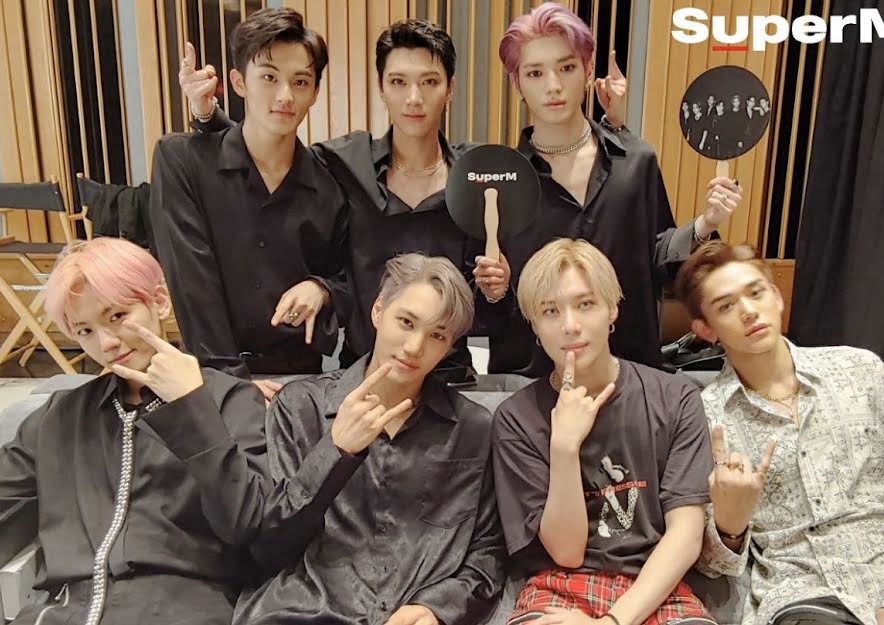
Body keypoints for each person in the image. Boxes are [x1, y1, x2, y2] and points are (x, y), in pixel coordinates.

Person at [0, 237, 269, 625]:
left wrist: (192, 408)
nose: (107, 343)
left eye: (117, 316)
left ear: (159, 301)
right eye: (84, 331)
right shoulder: (60, 417)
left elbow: (251, 527)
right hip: (60, 614)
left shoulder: (229, 401)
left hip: (184, 612)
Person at [182, 19, 484, 379]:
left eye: (430, 82)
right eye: (398, 82)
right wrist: (207, 116)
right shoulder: (344, 161)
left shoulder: (476, 175)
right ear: (381, 87)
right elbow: (267, 147)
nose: (414, 98)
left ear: (450, 88)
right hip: (361, 372)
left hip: (447, 373)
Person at [237, 253, 507, 625]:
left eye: (437, 335)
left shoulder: (472, 429)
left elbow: (489, 551)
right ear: (378, 311)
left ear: (449, 347)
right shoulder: (301, 408)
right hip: (304, 612)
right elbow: (267, 547)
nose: (414, 346)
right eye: (406, 322)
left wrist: (437, 608)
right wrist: (336, 451)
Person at [479, 2, 743, 376]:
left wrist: (705, 223)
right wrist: (495, 288)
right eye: (535, 73)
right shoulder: (502, 181)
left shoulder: (635, 161)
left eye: (567, 68)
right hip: (532, 376)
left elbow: (658, 258)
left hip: (629, 368)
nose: (553, 86)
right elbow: (485, 300)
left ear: (588, 70)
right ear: (516, 82)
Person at [674, 241, 884, 625]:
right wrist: (728, 525)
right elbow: (710, 565)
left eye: (756, 293)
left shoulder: (862, 372)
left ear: (777, 297)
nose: (748, 311)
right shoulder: (706, 418)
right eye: (726, 306)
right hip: (802, 597)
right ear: (705, 329)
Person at [492, 238, 716, 625]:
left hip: (655, 584)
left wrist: (613, 622)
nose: (570, 325)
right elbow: (566, 553)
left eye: (585, 304)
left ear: (612, 309)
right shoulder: (516, 418)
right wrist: (564, 447)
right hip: (560, 586)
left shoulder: (675, 398)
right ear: (534, 325)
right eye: (550, 311)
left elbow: (686, 535)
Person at [150, 8, 347, 397]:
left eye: (300, 81)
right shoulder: (182, 162)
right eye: (269, 77)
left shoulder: (329, 184)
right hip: (211, 377)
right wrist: (232, 385)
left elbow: (349, 273)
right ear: (239, 82)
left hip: (298, 379)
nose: (285, 95)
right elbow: (193, 282)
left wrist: (322, 288)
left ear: (315, 93)